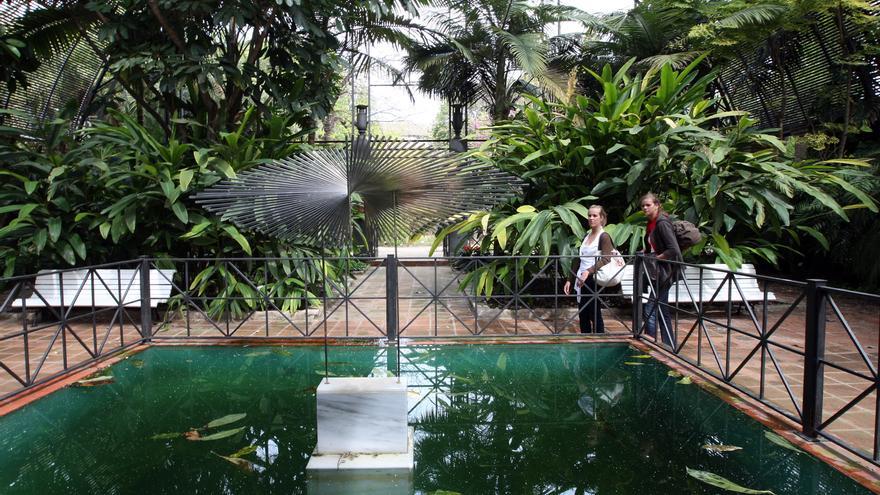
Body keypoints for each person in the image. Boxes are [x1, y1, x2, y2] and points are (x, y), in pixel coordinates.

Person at [639, 192, 682, 347]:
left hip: (666, 272)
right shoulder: (651, 222)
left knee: (650, 309)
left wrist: (657, 258)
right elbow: (654, 244)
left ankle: (650, 345)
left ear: (657, 205)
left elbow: (674, 249)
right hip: (660, 272)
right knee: (662, 309)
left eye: (648, 205)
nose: (645, 208)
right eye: (643, 205)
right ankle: (669, 345)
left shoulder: (662, 223)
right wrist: (646, 252)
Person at [564, 205, 614, 334]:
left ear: (601, 218)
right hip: (581, 279)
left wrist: (589, 271)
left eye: (595, 216)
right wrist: (570, 279)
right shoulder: (586, 235)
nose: (591, 218)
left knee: (594, 313)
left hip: (593, 278)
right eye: (589, 215)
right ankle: (585, 342)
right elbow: (579, 258)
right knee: (583, 313)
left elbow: (606, 258)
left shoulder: (604, 236)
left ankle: (599, 342)